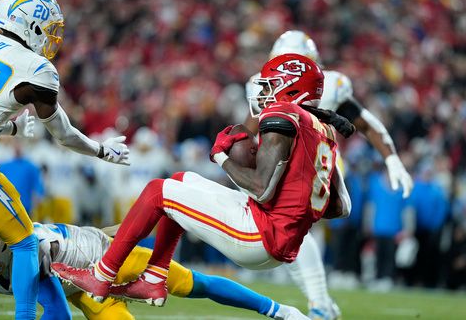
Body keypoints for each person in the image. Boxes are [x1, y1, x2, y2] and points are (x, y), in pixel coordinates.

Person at [51, 53, 352, 319]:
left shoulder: (285, 114)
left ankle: (100, 276)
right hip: (278, 235)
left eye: (271, 85)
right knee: (181, 181)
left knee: (158, 190)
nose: (264, 93)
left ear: (292, 87)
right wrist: (295, 202)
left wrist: (221, 158)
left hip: (261, 234)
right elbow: (340, 207)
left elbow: (260, 189)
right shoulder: (324, 131)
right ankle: (155, 277)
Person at [0, 0, 129, 319]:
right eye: (48, 30)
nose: (52, 39)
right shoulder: (37, 69)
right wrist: (102, 150)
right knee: (26, 243)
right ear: (30, 26)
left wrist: (11, 127)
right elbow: (64, 136)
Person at [243, 30, 415, 317]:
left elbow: (368, 124)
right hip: (286, 162)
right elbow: (249, 130)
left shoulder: (331, 84)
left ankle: (319, 300)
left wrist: (392, 159)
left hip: (315, 163)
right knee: (290, 230)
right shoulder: (262, 83)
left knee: (294, 227)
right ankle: (318, 299)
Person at [0, 208, 305, 320]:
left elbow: (57, 313)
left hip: (108, 260)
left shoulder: (30, 253)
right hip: (85, 292)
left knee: (195, 285)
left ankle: (278, 310)